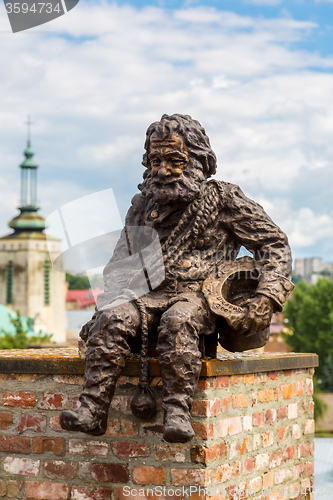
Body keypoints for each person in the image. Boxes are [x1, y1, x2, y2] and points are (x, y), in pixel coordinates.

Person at [60, 114, 293, 443]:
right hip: (145, 298)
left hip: (198, 299)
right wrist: (132, 283)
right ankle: (93, 408)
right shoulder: (142, 207)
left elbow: (274, 244)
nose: (163, 169)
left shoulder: (223, 200)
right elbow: (118, 266)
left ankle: (178, 411)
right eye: (156, 160)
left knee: (179, 319)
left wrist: (266, 297)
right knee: (113, 317)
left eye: (174, 159)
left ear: (198, 161)